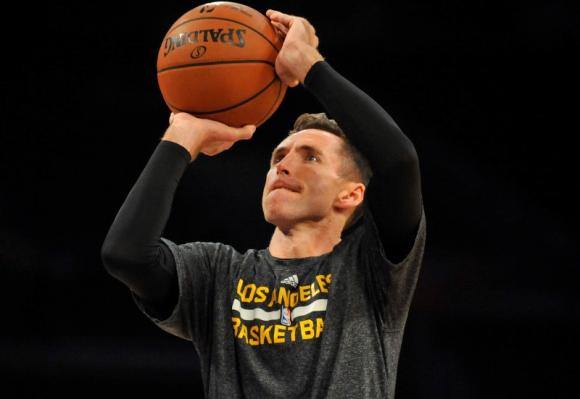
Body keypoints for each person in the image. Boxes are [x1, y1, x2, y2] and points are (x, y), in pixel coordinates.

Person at [101, 9, 425, 399]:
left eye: (311, 157)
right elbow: (126, 254)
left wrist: (309, 65)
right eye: (278, 157)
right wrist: (181, 138)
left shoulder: (369, 269)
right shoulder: (218, 276)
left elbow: (398, 162)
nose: (284, 165)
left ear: (351, 194)